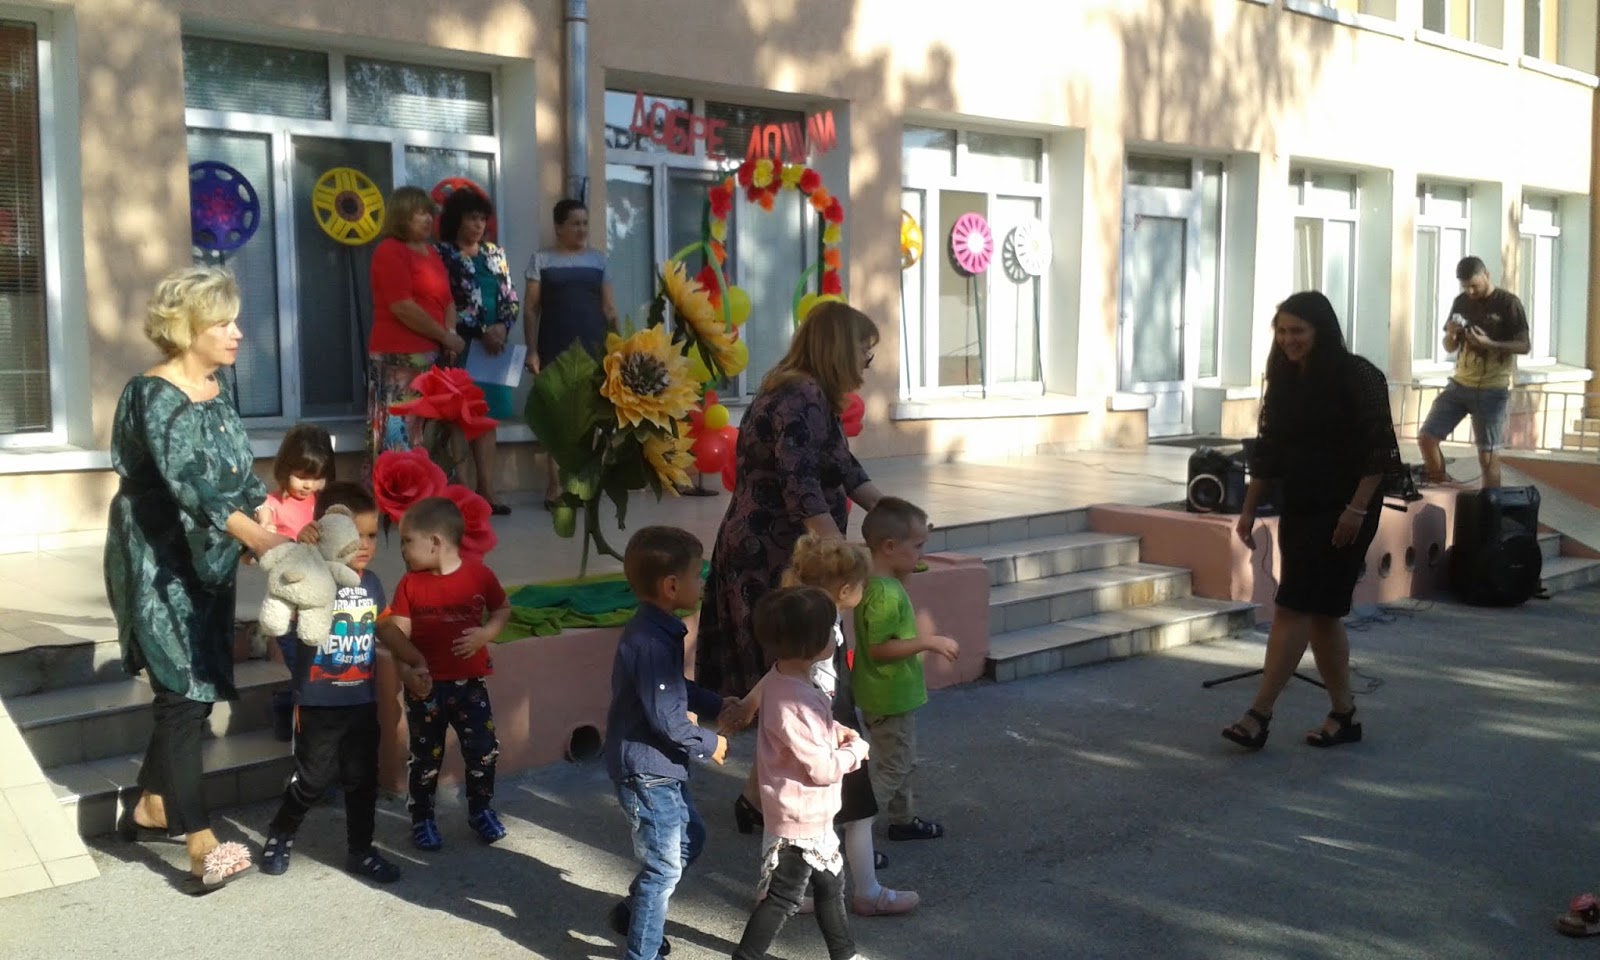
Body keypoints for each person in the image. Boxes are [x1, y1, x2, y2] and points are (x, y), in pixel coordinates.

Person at [104, 265, 290, 893]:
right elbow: (188, 481)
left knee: (197, 688)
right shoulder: (152, 394)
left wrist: (263, 510)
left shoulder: (215, 385)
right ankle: (199, 842)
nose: (238, 333)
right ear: (186, 328)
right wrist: (254, 536)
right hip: (157, 560)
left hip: (207, 555)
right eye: (223, 323)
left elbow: (232, 466)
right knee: (181, 694)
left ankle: (151, 806)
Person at [696, 301, 887, 828]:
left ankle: (756, 802)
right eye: (864, 350)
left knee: (788, 684)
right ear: (838, 348)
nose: (867, 362)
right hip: (771, 559)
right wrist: (843, 559)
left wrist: (892, 514)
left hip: (786, 555)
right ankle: (826, 820)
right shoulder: (798, 395)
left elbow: (843, 466)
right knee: (799, 681)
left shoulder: (813, 394)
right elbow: (799, 484)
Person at [1221, 291, 1402, 751]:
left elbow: (1378, 450)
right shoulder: (1284, 376)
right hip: (1301, 504)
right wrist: (1248, 509)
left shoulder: (1359, 375)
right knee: (1322, 614)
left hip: (1347, 507)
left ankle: (1258, 715)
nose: (1288, 340)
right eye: (1282, 331)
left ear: (1321, 330)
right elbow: (1269, 450)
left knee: (1294, 605)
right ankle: (1344, 715)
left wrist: (1356, 509)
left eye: (1297, 331)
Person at [722, 535, 917, 917]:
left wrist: (749, 704)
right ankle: (868, 892)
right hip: (827, 727)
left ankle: (771, 889)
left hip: (809, 724)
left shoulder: (802, 620)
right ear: (845, 590)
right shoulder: (822, 629)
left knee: (786, 811)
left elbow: (778, 672)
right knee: (859, 813)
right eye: (861, 584)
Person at [257, 482, 429, 883]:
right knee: (313, 779)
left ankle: (361, 851)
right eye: (357, 535)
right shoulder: (310, 574)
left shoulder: (371, 583)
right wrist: (301, 545)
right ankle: (281, 833)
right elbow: (279, 590)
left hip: (361, 702)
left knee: (361, 779)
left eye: (372, 535)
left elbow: (385, 627)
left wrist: (414, 657)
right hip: (318, 703)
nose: (364, 545)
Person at [603, 526, 730, 960]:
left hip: (662, 766)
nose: (703, 582)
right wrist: (709, 743)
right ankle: (643, 952)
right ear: (671, 586)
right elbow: (667, 719)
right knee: (663, 867)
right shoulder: (651, 643)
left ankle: (633, 912)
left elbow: (675, 689)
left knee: (690, 836)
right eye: (699, 575)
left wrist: (717, 703)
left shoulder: (660, 632)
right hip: (647, 769)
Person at [730, 586, 871, 960]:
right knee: (784, 897)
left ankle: (844, 953)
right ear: (813, 643)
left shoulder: (783, 678)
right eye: (831, 630)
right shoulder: (795, 698)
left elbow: (804, 735)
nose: (836, 636)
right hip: (800, 818)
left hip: (809, 813)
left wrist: (836, 732)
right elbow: (822, 768)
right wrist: (855, 751)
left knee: (830, 885)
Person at [378, 496, 513, 850]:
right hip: (426, 689)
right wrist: (406, 674)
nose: (402, 550)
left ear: (435, 542)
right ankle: (422, 817)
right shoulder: (409, 584)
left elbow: (502, 609)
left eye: (408, 541)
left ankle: (480, 810)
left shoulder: (479, 575)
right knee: (425, 758)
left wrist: (486, 634)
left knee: (483, 750)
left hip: (470, 686)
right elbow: (398, 637)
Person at [853, 496, 958, 843]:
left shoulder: (881, 581)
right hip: (889, 694)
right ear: (889, 547)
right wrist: (929, 642)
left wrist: (910, 559)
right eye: (918, 546)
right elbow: (880, 648)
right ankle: (857, 833)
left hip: (887, 693)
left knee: (900, 760)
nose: (922, 554)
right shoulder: (885, 594)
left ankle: (902, 819)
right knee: (893, 766)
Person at [524, 198, 618, 507]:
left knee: (589, 417)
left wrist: (619, 347)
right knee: (556, 417)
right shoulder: (541, 260)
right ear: (559, 227)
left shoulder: (598, 260)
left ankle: (582, 483)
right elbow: (531, 309)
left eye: (585, 223)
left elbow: (608, 308)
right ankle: (555, 487)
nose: (581, 229)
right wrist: (532, 351)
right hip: (554, 347)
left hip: (592, 348)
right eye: (575, 223)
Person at [367, 186, 464, 473]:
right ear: (401, 216)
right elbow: (402, 307)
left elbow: (447, 300)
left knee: (425, 432)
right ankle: (398, 488)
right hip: (398, 356)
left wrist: (450, 335)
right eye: (419, 213)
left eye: (429, 213)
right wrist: (444, 336)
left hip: (431, 356)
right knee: (398, 431)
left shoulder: (431, 252)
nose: (427, 219)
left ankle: (426, 486)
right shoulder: (389, 250)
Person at [437, 188, 519, 516]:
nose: (479, 225)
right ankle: (461, 491)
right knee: (459, 419)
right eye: (472, 218)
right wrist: (480, 330)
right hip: (460, 347)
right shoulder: (442, 254)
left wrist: (502, 327)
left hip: (493, 349)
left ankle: (487, 491)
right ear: (456, 220)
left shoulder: (495, 254)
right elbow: (442, 301)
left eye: (483, 219)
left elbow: (510, 297)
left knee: (488, 418)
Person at [1417, 255, 1529, 489]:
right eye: (1465, 286)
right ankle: (1441, 485)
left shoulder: (1509, 303)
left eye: (1474, 286)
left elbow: (1524, 345)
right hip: (1459, 384)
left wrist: (1490, 344)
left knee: (1487, 457)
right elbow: (1449, 346)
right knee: (1427, 437)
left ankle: (1491, 505)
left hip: (1492, 390)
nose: (1470, 291)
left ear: (1487, 275)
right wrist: (1451, 333)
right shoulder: (1461, 302)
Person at [256, 423, 337, 742]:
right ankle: (300, 729)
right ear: (284, 468)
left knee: (315, 673)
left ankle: (285, 706)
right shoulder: (271, 506)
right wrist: (275, 535)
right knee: (305, 675)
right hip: (289, 614)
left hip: (322, 608)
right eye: (301, 476)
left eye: (317, 477)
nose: (309, 485)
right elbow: (261, 549)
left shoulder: (325, 505)